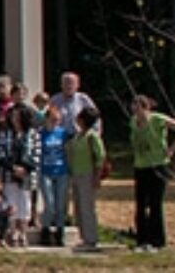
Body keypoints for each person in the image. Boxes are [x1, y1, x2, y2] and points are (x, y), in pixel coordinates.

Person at [131, 94, 175, 252]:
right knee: (140, 204)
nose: (135, 110)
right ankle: (142, 240)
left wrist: (171, 150)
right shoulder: (133, 122)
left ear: (146, 108)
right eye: (133, 107)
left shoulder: (157, 119)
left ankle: (157, 240)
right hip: (140, 166)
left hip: (158, 165)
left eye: (138, 107)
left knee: (155, 204)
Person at [0, 100, 34, 247]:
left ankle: (23, 232)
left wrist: (25, 169)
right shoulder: (5, 134)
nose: (15, 120)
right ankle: (12, 232)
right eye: (13, 116)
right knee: (11, 202)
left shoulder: (32, 134)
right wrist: (12, 168)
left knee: (25, 204)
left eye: (18, 117)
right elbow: (0, 153)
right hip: (9, 174)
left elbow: (36, 154)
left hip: (26, 176)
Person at [67, 107, 105, 250]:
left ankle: (91, 238)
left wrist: (97, 177)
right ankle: (83, 237)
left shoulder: (92, 136)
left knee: (87, 207)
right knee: (78, 207)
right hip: (76, 174)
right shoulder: (77, 136)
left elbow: (100, 158)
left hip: (88, 174)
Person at [38, 106, 72, 246]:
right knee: (50, 204)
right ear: (46, 119)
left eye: (57, 120)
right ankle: (45, 230)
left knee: (60, 204)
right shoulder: (41, 134)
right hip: (45, 171)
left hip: (61, 171)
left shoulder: (63, 133)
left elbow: (69, 150)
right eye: (52, 119)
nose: (55, 122)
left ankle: (60, 232)